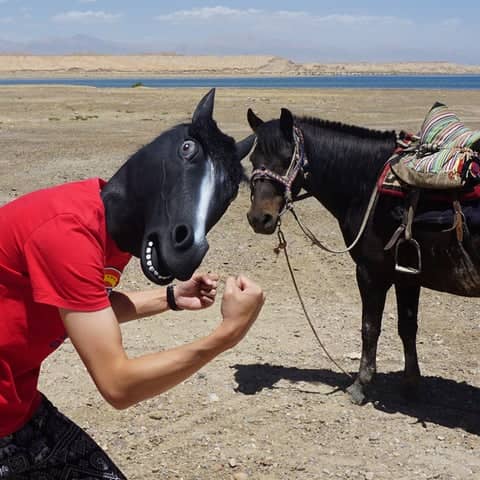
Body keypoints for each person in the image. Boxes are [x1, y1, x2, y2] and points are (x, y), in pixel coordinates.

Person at [0, 178, 265, 480]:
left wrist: (170, 298)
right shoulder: (69, 231)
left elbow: (85, 306)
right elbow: (119, 386)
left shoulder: (113, 224)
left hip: (17, 409)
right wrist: (228, 333)